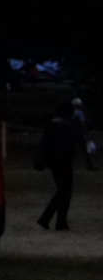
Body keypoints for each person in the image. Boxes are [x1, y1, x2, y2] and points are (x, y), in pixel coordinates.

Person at [39, 95, 84, 232]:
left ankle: (47, 218)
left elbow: (44, 145)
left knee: (61, 191)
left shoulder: (49, 125)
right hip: (63, 162)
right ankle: (59, 221)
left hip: (53, 162)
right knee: (65, 192)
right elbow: (69, 146)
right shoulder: (65, 126)